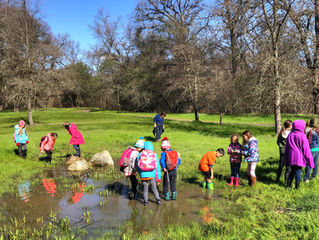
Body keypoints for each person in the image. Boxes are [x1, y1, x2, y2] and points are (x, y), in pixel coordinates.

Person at [286, 120, 314, 189]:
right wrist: (311, 162)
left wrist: (286, 159)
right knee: (298, 172)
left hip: (291, 157)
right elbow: (306, 150)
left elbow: (287, 147)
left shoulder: (290, 135)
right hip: (299, 158)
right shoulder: (302, 136)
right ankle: (296, 187)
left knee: (291, 171)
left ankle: (288, 186)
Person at [136, 141, 161, 206]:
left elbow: (137, 165)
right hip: (152, 174)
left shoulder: (140, 154)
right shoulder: (154, 154)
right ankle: (158, 200)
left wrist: (140, 172)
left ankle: (146, 202)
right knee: (154, 187)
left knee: (145, 188)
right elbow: (157, 167)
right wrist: (159, 178)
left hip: (143, 175)